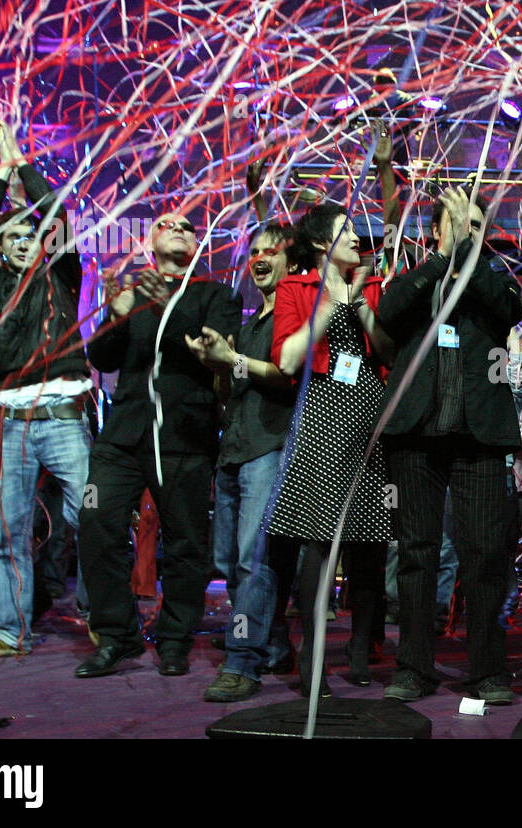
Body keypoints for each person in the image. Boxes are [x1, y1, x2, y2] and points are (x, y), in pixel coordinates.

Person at [75, 212, 241, 678]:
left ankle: (174, 638)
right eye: (166, 223)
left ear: (197, 243)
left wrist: (161, 300)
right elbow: (101, 357)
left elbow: (208, 352)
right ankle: (116, 635)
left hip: (184, 435)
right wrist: (117, 312)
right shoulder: (133, 293)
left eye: (188, 226)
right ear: (151, 237)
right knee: (95, 520)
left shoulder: (216, 294)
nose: (177, 227)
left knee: (186, 541)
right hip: (124, 433)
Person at [378, 187, 522, 705]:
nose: (467, 230)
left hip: (478, 436)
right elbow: (389, 316)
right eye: (458, 222)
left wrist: (467, 252)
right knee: (416, 554)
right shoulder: (415, 277)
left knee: (484, 555)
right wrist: (443, 258)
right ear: (436, 228)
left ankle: (487, 671)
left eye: (477, 225)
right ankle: (414, 666)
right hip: (416, 434)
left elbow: (507, 313)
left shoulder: (493, 280)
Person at [0, 117, 93, 660]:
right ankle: (11, 632)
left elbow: (58, 214)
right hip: (6, 425)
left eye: (29, 235)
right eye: (10, 237)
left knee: (93, 515)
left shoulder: (63, 274)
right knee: (5, 533)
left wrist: (23, 169)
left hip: (61, 418)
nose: (20, 243)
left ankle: (105, 617)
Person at [267, 202, 395, 695]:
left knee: (369, 542)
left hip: (369, 415)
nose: (356, 238)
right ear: (322, 242)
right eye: (345, 231)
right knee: (320, 542)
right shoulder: (295, 288)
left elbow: (387, 352)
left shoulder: (374, 286)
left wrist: (361, 302)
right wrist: (325, 305)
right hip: (323, 417)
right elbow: (286, 359)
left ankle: (361, 649)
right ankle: (311, 658)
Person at [190, 222, 298, 701]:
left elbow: (283, 376)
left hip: (269, 448)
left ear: (290, 263)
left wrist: (230, 359)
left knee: (255, 561)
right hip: (233, 447)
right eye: (253, 250)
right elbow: (231, 387)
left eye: (269, 250)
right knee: (229, 561)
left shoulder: (292, 317)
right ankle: (272, 644)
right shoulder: (252, 319)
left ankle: (242, 662)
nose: (259, 257)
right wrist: (216, 361)